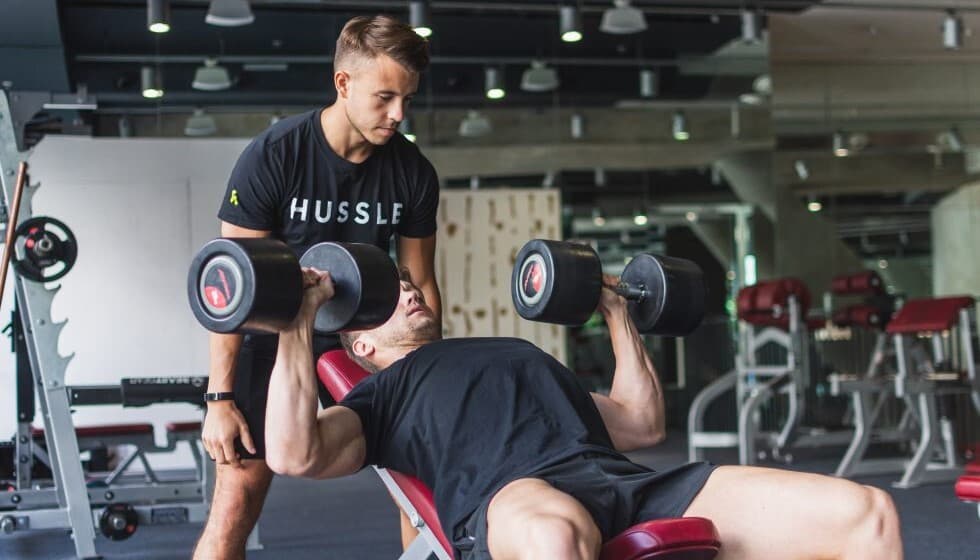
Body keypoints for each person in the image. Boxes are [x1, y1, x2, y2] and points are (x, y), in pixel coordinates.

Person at [265, 269, 904, 560]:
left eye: (406, 283)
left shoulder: (514, 352)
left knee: (865, 514)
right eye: (387, 296)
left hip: (626, 484)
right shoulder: (382, 395)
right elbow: (295, 453)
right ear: (362, 347)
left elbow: (641, 423)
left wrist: (619, 315)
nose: (405, 287)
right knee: (555, 537)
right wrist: (296, 324)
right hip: (513, 495)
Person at [194, 15, 442, 559]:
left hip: (366, 340)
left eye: (407, 99)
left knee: (421, 492)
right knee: (236, 497)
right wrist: (220, 398)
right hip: (274, 339)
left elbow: (420, 278)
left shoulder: (412, 170)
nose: (398, 114)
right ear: (343, 83)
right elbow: (230, 289)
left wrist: (432, 382)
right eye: (385, 98)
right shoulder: (276, 154)